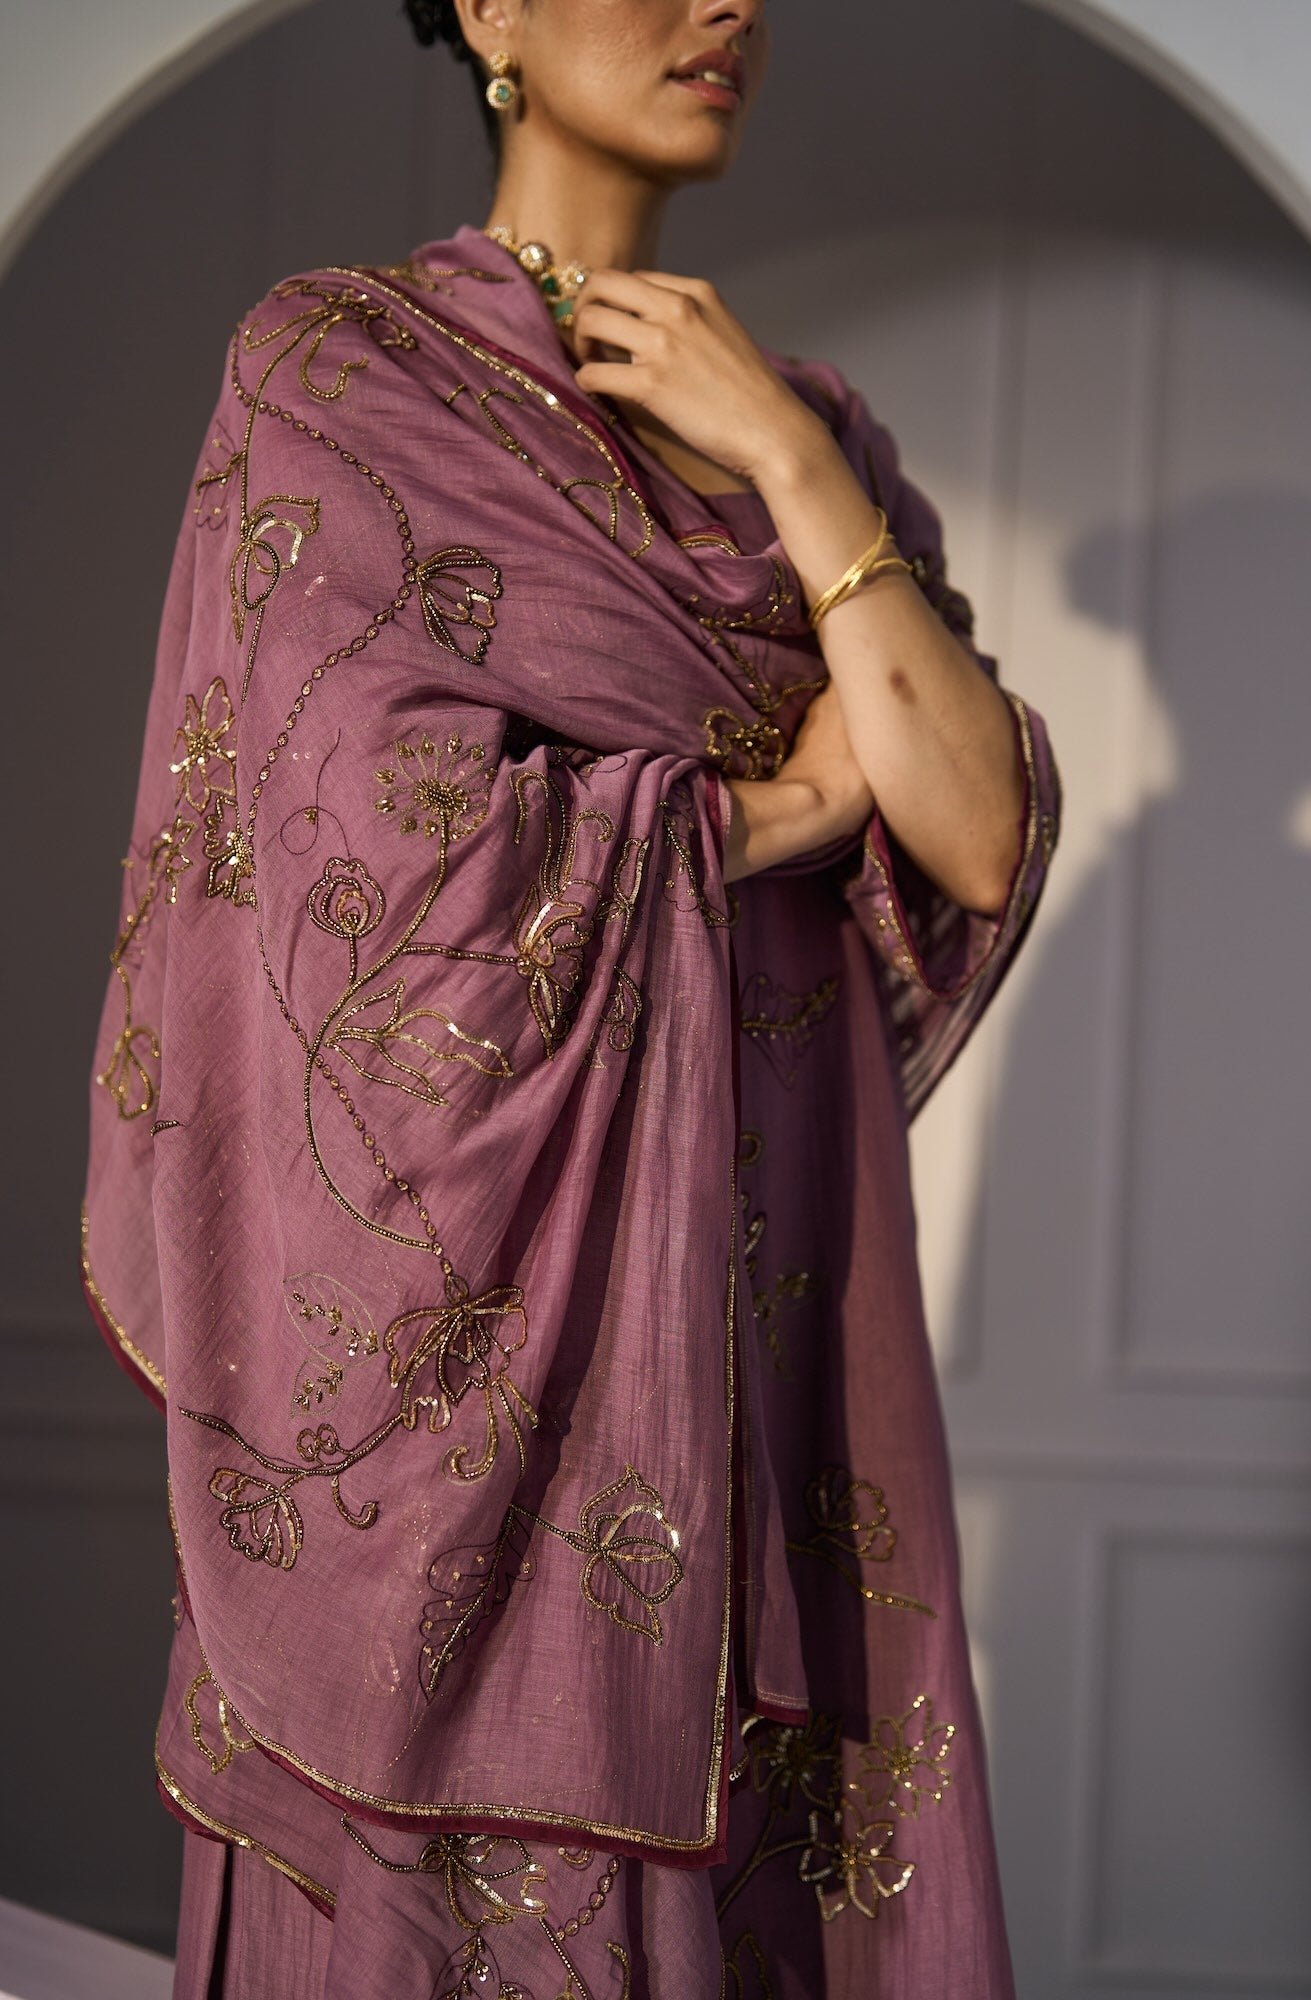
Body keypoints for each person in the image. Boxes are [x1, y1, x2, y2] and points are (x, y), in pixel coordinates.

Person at [81, 0, 1062, 1992]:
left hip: (767, 1319)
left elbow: (971, 829)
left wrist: (789, 455)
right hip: (469, 1348)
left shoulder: (814, 433)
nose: (729, 6)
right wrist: (779, 811)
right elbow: (357, 866)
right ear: (489, 8)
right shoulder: (343, 373)